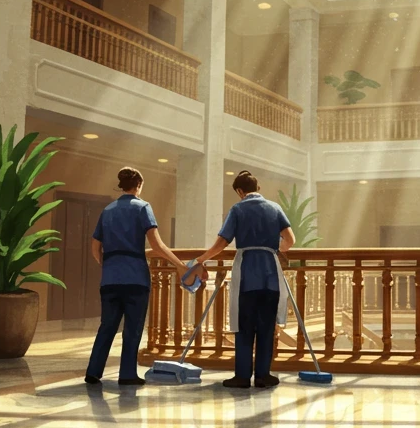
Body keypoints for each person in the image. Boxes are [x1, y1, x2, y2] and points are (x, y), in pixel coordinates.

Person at [190, 171, 295, 389]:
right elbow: (290, 240)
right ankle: (264, 375)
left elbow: (221, 243)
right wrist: (274, 249)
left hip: (247, 273)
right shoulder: (274, 208)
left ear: (240, 191)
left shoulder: (238, 209)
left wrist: (201, 259)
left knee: (244, 326)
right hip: (270, 274)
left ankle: (242, 376)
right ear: (258, 188)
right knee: (266, 326)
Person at [85, 166, 184, 386]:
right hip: (135, 277)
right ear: (138, 185)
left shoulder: (108, 210)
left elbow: (95, 245)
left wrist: (106, 262)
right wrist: (179, 265)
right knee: (133, 328)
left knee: (107, 325)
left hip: (110, 277)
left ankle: (93, 371)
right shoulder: (143, 207)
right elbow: (156, 245)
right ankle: (127, 373)